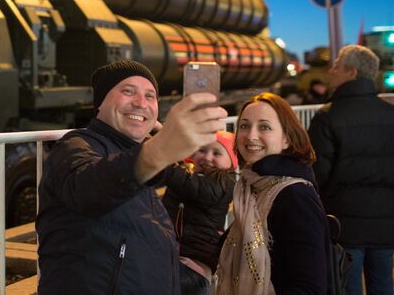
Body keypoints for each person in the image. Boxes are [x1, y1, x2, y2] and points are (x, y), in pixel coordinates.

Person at [36, 59, 227, 295]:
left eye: (150, 96)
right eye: (128, 91)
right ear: (100, 103)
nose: (140, 103)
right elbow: (86, 188)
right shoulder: (74, 147)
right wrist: (159, 150)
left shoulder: (132, 156)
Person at [215, 93, 330, 295]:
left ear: (287, 139)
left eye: (264, 127)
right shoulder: (253, 186)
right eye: (244, 126)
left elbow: (310, 287)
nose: (251, 135)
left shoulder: (295, 196)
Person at [308, 45, 394, 295]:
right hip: (386, 222)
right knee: (383, 285)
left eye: (336, 65)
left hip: (344, 225)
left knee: (347, 286)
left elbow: (317, 174)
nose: (331, 69)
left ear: (351, 73)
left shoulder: (328, 116)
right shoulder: (391, 115)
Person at [162, 131, 238, 295]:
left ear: (232, 162)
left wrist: (163, 163)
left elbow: (196, 187)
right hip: (174, 253)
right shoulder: (190, 175)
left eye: (216, 153)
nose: (207, 157)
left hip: (197, 260)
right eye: (202, 150)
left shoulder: (225, 182)